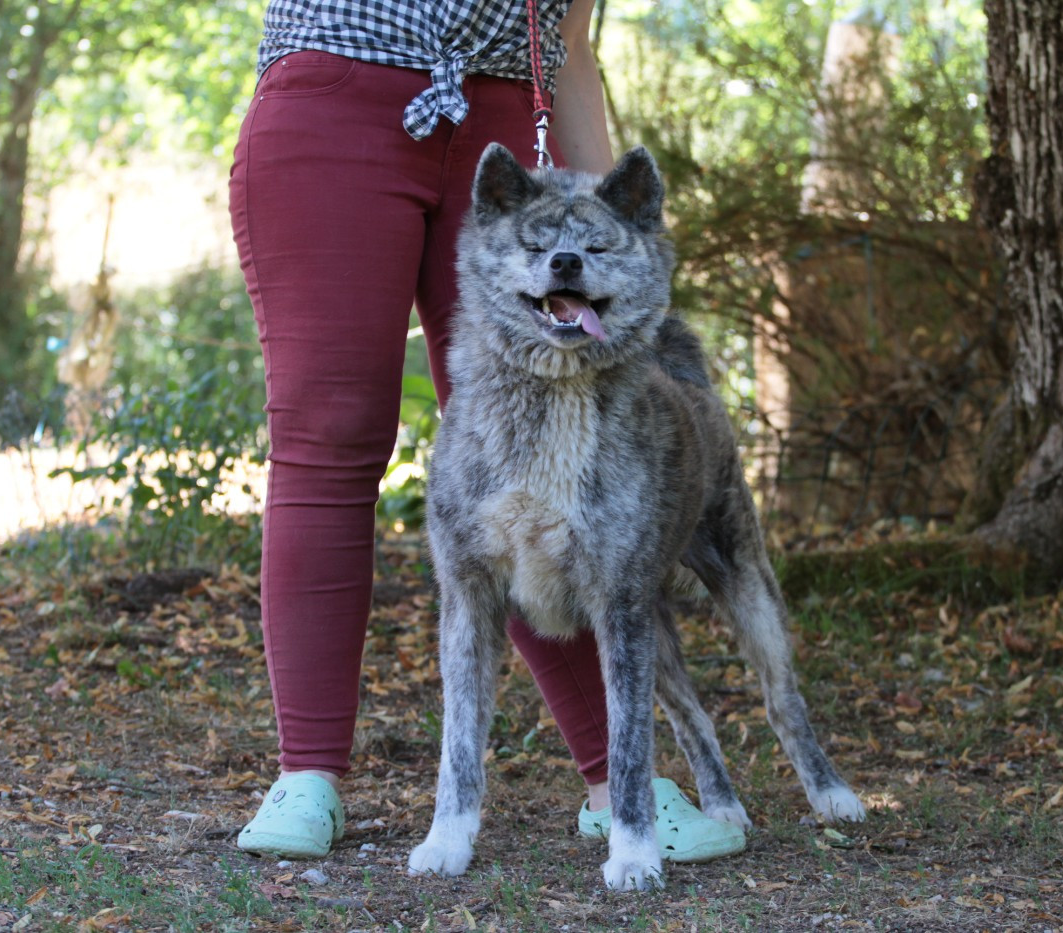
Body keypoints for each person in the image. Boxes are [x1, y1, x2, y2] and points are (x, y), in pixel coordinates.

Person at [226, 0, 744, 864]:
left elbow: (569, 43)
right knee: (333, 425)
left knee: (553, 448)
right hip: (334, 101)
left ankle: (616, 785)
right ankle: (308, 772)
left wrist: (621, 233)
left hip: (510, 118)